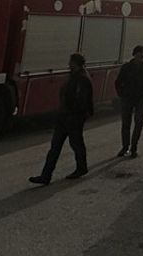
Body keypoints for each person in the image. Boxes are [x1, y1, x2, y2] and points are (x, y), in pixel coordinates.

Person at [30, 53, 93, 185]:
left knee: (76, 144)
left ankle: (81, 168)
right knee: (55, 147)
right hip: (64, 116)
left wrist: (74, 114)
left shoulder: (82, 79)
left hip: (73, 118)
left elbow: (82, 101)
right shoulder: (73, 76)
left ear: (76, 63)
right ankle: (45, 175)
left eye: (71, 62)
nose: (69, 64)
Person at [115, 45, 143, 157]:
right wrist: (122, 94)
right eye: (139, 56)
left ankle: (134, 147)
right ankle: (125, 147)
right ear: (134, 55)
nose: (141, 58)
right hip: (128, 98)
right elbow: (118, 82)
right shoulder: (126, 67)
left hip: (140, 99)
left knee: (138, 123)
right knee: (126, 124)